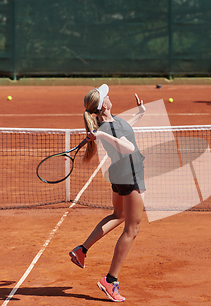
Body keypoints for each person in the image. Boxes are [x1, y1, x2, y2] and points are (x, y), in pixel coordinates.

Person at [69, 84, 146, 302]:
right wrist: (103, 136)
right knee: (132, 229)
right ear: (103, 105)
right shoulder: (106, 128)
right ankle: (110, 281)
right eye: (106, 96)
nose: (109, 97)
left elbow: (124, 129)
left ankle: (82, 250)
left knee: (119, 216)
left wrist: (139, 114)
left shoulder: (108, 122)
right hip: (130, 175)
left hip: (120, 174)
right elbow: (127, 147)